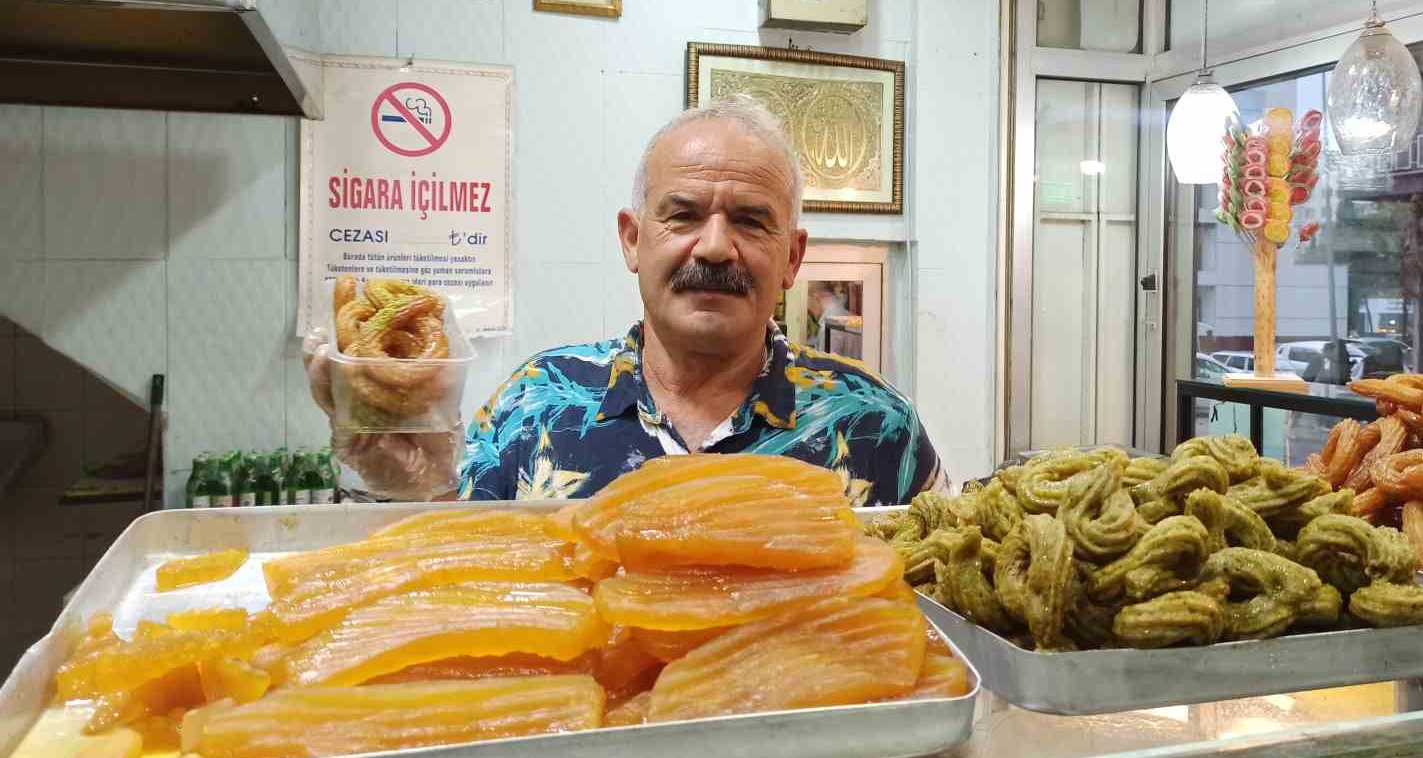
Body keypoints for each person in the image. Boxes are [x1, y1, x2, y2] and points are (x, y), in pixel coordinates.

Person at [306, 94, 945, 506]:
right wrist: (405, 481)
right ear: (633, 240)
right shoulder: (533, 406)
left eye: (751, 220)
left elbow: (954, 606)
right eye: (684, 215)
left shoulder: (877, 426)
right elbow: (456, 584)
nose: (717, 248)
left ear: (793, 258)